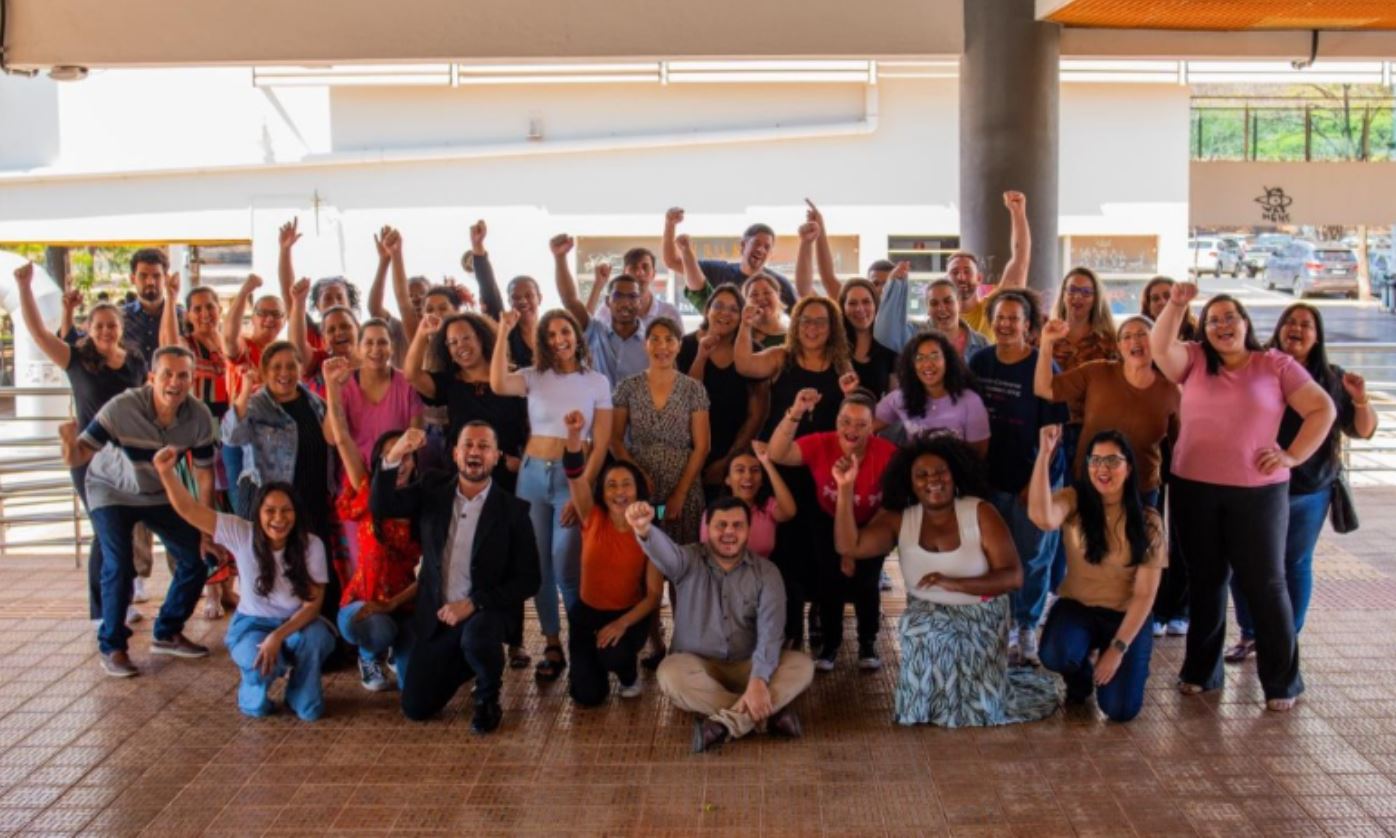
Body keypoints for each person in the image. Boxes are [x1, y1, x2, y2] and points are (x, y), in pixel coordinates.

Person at [1150, 283, 1336, 711]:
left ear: (1246, 323)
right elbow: (1160, 348)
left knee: (1266, 584)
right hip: (1194, 488)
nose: (1222, 325)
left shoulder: (1275, 364)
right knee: (1206, 581)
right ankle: (1201, 672)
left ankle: (1282, 682)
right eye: (1213, 320)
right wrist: (1176, 305)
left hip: (1258, 494)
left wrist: (1292, 455)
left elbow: (1322, 409)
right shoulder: (1195, 360)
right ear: (1204, 330)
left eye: (1230, 317)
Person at [832, 432, 1060, 727]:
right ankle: (924, 705)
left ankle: (968, 700)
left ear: (955, 475)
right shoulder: (900, 518)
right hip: (927, 611)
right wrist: (845, 488)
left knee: (980, 708)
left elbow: (1013, 577)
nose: (933, 480)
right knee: (920, 628)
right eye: (922, 475)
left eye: (941, 471)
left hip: (981, 612)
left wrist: (954, 583)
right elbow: (850, 546)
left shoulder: (980, 512)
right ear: (909, 482)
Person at [1225, 304, 1378, 663]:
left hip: (1308, 489)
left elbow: (1362, 430)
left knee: (1293, 562)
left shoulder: (1332, 378)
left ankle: (1284, 639)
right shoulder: (1258, 367)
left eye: (1305, 325)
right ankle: (1250, 634)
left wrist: (1360, 399)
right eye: (1290, 322)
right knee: (1243, 563)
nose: (1296, 329)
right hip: (1255, 485)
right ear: (1278, 329)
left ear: (1317, 336)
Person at [371, 426, 541, 732]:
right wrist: (396, 453)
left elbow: (530, 580)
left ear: (496, 456)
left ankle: (487, 695)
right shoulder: (432, 488)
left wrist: (474, 603)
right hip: (438, 617)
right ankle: (468, 661)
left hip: (484, 615)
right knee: (416, 707)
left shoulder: (513, 510)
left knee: (477, 637)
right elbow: (384, 506)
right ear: (455, 453)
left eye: (484, 446)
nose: (475, 452)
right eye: (468, 445)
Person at [58, 347, 216, 677]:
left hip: (159, 491)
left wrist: (205, 529)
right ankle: (112, 646)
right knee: (119, 564)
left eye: (183, 375)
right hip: (111, 489)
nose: (175, 382)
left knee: (197, 556)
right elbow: (80, 454)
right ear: (152, 378)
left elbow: (204, 473)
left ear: (192, 379)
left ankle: (167, 631)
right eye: (167, 374)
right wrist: (68, 443)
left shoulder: (198, 415)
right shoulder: (123, 407)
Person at [154, 451, 334, 720]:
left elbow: (312, 606)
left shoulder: (312, 544)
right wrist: (166, 473)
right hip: (252, 624)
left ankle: (301, 690)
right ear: (258, 513)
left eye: (286, 510)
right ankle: (253, 690)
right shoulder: (241, 532)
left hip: (297, 623)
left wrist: (277, 637)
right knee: (258, 681)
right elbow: (190, 510)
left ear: (296, 514)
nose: (279, 518)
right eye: (270, 511)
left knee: (316, 649)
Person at [14, 263, 147, 626]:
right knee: (106, 530)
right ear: (88, 328)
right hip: (89, 458)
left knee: (122, 529)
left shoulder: (134, 361)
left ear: (121, 328)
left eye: (111, 325)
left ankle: (120, 598)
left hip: (126, 458)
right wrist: (24, 288)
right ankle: (103, 610)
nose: (105, 331)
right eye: (99, 325)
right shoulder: (76, 360)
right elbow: (39, 333)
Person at [630, 497, 815, 752]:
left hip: (749, 664)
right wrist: (645, 530)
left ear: (748, 530)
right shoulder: (688, 559)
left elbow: (771, 633)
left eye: (737, 525)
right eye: (721, 525)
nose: (729, 532)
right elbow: (666, 554)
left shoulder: (767, 572)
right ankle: (765, 717)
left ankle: (725, 724)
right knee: (670, 674)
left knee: (802, 666)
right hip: (698, 665)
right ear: (707, 528)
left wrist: (758, 679)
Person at [491, 307, 613, 682]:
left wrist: (583, 489)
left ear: (577, 334)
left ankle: (581, 640)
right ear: (543, 342)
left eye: (565, 332)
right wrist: (503, 332)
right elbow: (497, 383)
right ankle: (552, 643)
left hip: (571, 478)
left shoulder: (596, 381)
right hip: (531, 477)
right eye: (551, 335)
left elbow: (602, 442)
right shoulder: (534, 376)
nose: (559, 340)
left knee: (566, 563)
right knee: (539, 566)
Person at [737, 295, 852, 650]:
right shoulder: (781, 358)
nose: (812, 328)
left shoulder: (841, 365)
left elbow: (852, 415)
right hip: (782, 468)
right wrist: (744, 325)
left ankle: (825, 626)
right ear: (796, 325)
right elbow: (744, 364)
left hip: (824, 472)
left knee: (825, 551)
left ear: (832, 328)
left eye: (820, 321)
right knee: (785, 552)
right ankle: (789, 631)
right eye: (806, 321)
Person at [1029, 428, 1164, 722]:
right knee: (1056, 653)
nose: (1103, 469)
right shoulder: (1075, 499)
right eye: (1095, 460)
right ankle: (1080, 679)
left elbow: (1145, 594)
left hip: (1125, 616)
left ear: (1129, 468)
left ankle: (1127, 662)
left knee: (1120, 710)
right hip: (1079, 607)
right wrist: (1044, 456)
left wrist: (1117, 649)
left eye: (1113, 461)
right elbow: (1042, 517)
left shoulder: (1148, 521)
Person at [968, 290, 1068, 665]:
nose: (1006, 324)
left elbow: (1056, 433)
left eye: (1014, 318)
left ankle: (1026, 626)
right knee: (997, 557)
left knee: (1033, 557)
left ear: (1028, 325)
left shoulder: (1043, 365)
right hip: (992, 478)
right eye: (1000, 317)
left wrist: (1035, 484)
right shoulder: (980, 361)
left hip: (1035, 478)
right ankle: (1001, 625)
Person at [768, 389, 897, 671]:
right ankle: (830, 645)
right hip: (827, 519)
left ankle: (867, 642)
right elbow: (777, 453)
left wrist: (855, 549)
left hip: (870, 523)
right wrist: (795, 412)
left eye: (861, 424)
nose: (852, 430)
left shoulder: (887, 454)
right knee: (830, 581)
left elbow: (892, 506)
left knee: (867, 582)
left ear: (872, 427)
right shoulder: (821, 443)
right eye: (846, 421)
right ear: (837, 420)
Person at [324, 359, 421, 692]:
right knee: (378, 628)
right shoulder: (367, 487)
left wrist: (394, 604)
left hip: (405, 604)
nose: (401, 462)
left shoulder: (423, 501)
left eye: (407, 455)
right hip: (363, 604)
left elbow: (431, 570)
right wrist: (332, 387)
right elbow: (342, 437)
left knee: (414, 686)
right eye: (393, 455)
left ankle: (398, 650)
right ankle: (370, 653)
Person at [560, 411, 664, 705]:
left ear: (637, 489)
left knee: (613, 654)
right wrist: (574, 436)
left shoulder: (649, 531)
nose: (620, 492)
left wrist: (622, 624)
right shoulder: (591, 515)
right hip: (586, 614)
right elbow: (575, 476)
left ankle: (628, 674)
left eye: (626, 484)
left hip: (627, 615)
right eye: (611, 485)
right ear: (602, 493)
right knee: (587, 697)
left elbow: (654, 596)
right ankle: (591, 665)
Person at [1034, 315, 1179, 505]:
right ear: (1119, 346)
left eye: (1142, 334)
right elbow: (1045, 389)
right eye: (1126, 336)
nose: (1134, 341)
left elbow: (1180, 449)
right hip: (1089, 483)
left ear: (1156, 341)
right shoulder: (1097, 372)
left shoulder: (1171, 391)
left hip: (1140, 491)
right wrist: (1046, 343)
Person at [222, 342, 335, 563]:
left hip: (313, 501)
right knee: (273, 570)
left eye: (291, 366)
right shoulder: (256, 405)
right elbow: (231, 436)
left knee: (315, 568)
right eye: (276, 367)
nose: (285, 373)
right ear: (264, 371)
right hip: (273, 507)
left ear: (300, 369)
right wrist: (245, 391)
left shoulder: (316, 403)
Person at [611, 318, 712, 544]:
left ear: (679, 345)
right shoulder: (627, 387)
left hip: (682, 484)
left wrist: (680, 494)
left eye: (669, 340)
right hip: (641, 485)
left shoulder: (693, 389)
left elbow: (702, 446)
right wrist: (637, 473)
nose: (662, 346)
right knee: (644, 546)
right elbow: (614, 440)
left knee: (680, 550)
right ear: (645, 344)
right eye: (655, 339)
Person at [405, 312, 527, 492]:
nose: (460, 345)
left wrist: (522, 463)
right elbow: (412, 375)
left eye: (466, 338)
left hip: (508, 474)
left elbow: (531, 426)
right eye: (452, 342)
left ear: (480, 338)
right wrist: (422, 333)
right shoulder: (449, 382)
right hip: (463, 475)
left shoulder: (513, 379)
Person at [676, 286, 769, 500]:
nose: (725, 313)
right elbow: (684, 401)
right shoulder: (684, 346)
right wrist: (701, 357)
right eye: (718, 306)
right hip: (687, 451)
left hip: (735, 452)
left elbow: (758, 413)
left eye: (734, 309)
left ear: (741, 317)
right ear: (707, 310)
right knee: (677, 511)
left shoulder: (753, 350)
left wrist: (729, 461)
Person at [222, 273, 287, 514]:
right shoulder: (244, 347)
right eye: (263, 313)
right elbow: (228, 336)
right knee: (245, 507)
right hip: (241, 434)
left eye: (276, 314)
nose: (269, 319)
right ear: (254, 317)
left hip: (276, 435)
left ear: (284, 319)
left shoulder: (286, 354)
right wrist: (244, 291)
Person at [553, 234, 649, 387]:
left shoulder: (651, 342)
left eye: (632, 296)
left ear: (640, 303)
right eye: (618, 296)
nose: (625, 302)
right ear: (607, 302)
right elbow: (570, 300)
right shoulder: (595, 332)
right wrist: (560, 258)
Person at [874, 330, 990, 455]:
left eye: (935, 356)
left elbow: (978, 455)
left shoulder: (971, 401)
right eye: (919, 358)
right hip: (916, 466)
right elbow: (864, 426)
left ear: (947, 360)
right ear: (911, 365)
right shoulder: (901, 397)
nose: (927, 364)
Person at [664, 208, 799, 308]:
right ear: (743, 245)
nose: (760, 249)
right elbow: (672, 262)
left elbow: (798, 317)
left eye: (767, 247)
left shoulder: (779, 283)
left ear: (770, 254)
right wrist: (670, 224)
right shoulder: (718, 271)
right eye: (756, 243)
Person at [953, 191, 1031, 337]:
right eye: (955, 272)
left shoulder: (994, 308)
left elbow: (1020, 261)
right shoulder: (938, 318)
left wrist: (1018, 213)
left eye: (967, 271)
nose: (961, 277)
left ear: (979, 278)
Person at [701, 443, 797, 560]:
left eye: (755, 470)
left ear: (761, 481)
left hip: (761, 570)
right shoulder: (714, 513)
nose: (748, 476)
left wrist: (767, 463)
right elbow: (709, 556)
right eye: (740, 470)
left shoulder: (768, 507)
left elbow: (789, 512)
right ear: (728, 479)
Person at [875, 276, 990, 359]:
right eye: (934, 303)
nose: (941, 308)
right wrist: (895, 286)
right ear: (927, 308)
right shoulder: (914, 335)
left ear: (959, 303)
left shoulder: (981, 343)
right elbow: (887, 335)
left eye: (948, 301)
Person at [590, 246, 684, 333]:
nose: (640, 273)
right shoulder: (607, 310)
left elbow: (681, 345)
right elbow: (586, 331)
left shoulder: (669, 313)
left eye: (645, 267)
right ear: (624, 273)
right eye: (633, 267)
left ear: (653, 274)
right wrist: (598, 285)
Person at [840, 279, 898, 397]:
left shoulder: (889, 347)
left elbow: (894, 401)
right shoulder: (833, 346)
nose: (860, 309)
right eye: (852, 303)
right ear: (843, 308)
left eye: (866, 302)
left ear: (876, 305)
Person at [1141, 276, 1197, 341]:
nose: (1162, 302)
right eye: (1155, 298)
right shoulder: (1141, 339)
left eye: (1168, 296)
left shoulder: (1198, 334)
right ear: (1148, 307)